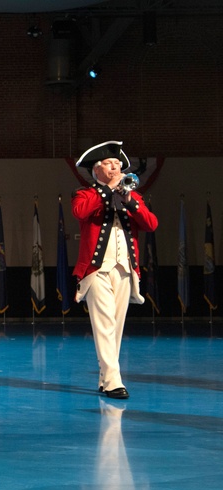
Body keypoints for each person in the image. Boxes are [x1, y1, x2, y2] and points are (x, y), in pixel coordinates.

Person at [72, 141, 158, 400]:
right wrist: (107, 191)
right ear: (97, 170)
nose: (116, 168)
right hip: (96, 270)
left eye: (118, 165)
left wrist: (130, 201)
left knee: (116, 327)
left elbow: (151, 224)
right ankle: (113, 382)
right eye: (110, 164)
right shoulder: (86, 194)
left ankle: (104, 377)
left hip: (125, 269)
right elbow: (80, 212)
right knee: (105, 323)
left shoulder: (132, 195)